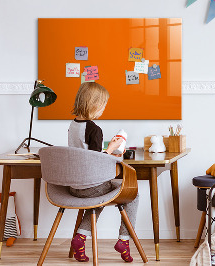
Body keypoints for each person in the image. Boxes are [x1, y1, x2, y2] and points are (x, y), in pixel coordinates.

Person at [68, 82, 138, 263]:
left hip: (74, 186)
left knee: (98, 197)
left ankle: (80, 238)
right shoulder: (94, 129)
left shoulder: (73, 125)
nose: (104, 109)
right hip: (91, 186)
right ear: (94, 104)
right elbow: (95, 161)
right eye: (103, 105)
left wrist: (107, 149)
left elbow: (85, 154)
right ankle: (124, 240)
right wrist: (113, 148)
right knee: (133, 194)